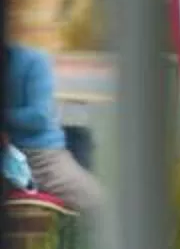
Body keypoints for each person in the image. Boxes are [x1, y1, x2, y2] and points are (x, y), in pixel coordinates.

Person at [5, 42, 105, 218]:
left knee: (100, 205)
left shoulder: (33, 60)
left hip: (42, 158)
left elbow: (39, 117)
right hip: (6, 154)